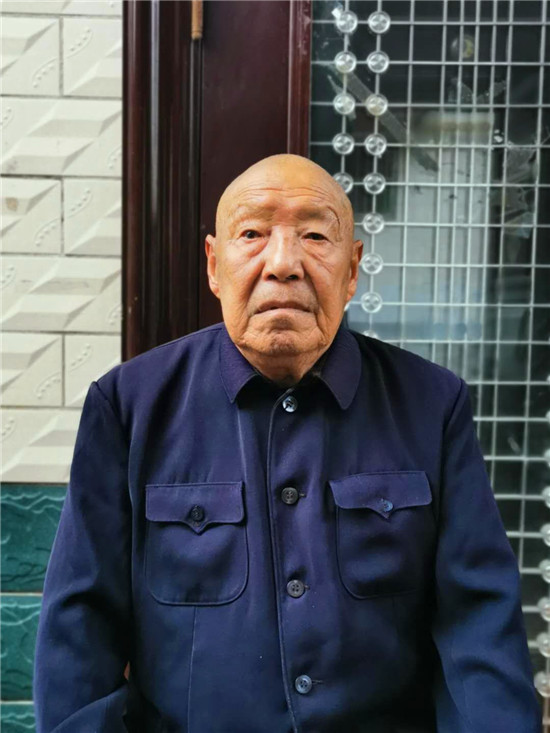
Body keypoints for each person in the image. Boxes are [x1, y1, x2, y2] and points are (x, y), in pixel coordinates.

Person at [34, 154, 540, 733]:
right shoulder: (129, 406)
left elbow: (478, 625)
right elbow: (80, 630)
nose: (283, 264)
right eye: (252, 234)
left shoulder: (431, 405)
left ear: (352, 270)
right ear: (214, 265)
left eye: (315, 236)